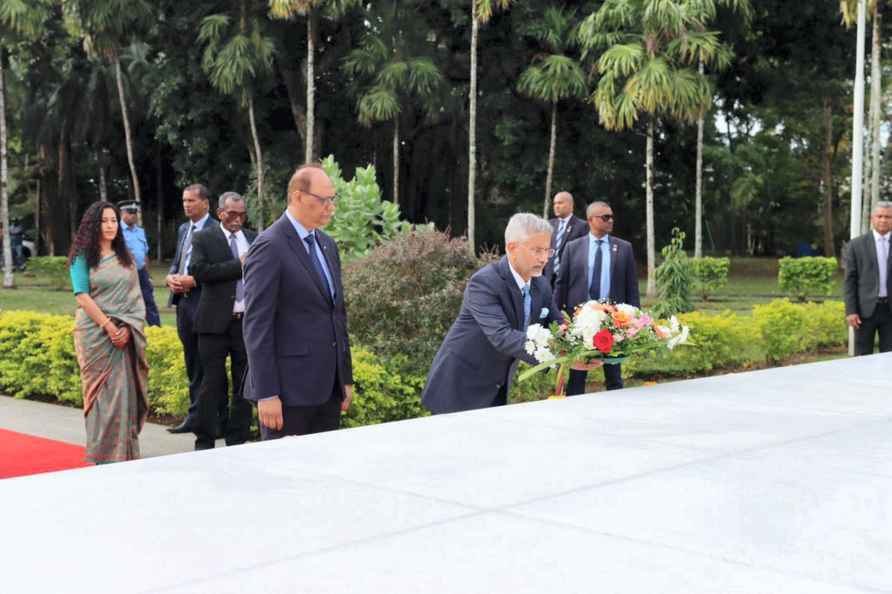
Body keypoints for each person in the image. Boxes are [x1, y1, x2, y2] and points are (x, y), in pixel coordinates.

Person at [422, 213, 595, 414]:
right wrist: (561, 356)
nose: (544, 258)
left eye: (547, 250)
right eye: (536, 250)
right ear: (512, 248)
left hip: (497, 385)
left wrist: (583, 349)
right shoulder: (484, 283)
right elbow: (502, 337)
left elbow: (557, 323)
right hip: (458, 388)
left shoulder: (540, 284)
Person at [243, 163, 354, 438]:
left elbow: (336, 315)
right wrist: (266, 392)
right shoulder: (270, 246)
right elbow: (257, 324)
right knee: (285, 477)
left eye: (332, 199)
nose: (330, 207)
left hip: (328, 388)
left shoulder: (327, 245)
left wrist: (345, 377)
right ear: (297, 196)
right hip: (287, 393)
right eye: (323, 200)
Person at [68, 201, 149, 464]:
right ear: (93, 225)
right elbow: (82, 296)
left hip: (124, 335)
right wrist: (109, 326)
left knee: (123, 393)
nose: (111, 225)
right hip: (95, 336)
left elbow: (136, 299)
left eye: (114, 220)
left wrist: (126, 327)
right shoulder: (81, 257)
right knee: (100, 397)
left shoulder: (126, 258)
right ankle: (102, 455)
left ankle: (124, 453)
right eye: (104, 221)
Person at [188, 192, 256, 450]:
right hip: (213, 324)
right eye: (231, 214)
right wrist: (237, 266)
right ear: (220, 213)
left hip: (245, 323)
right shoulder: (204, 237)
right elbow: (199, 271)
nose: (237, 219)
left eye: (241, 214)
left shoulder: (253, 238)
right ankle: (204, 441)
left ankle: (237, 441)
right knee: (211, 384)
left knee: (244, 385)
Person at [554, 201, 640, 395]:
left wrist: (635, 319)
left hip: (613, 320)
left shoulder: (624, 248)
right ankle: (574, 411)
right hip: (580, 321)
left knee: (614, 375)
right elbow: (562, 284)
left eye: (611, 217)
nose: (611, 221)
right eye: (605, 217)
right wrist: (556, 316)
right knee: (577, 375)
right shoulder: (572, 247)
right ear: (591, 220)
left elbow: (632, 286)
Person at [165, 184, 225, 434]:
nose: (186, 205)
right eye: (183, 201)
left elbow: (224, 268)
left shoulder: (217, 230)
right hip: (184, 304)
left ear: (205, 204)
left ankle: (217, 419)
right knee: (192, 362)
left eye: (191, 201)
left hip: (207, 302)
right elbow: (178, 260)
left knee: (209, 363)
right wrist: (171, 278)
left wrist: (195, 280)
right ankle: (195, 416)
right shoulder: (183, 229)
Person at [844, 201, 892, 355]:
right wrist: (851, 311)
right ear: (872, 218)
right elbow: (849, 281)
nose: (883, 220)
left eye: (888, 217)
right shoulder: (856, 245)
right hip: (865, 312)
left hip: (890, 311)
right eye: (880, 216)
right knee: (862, 358)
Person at [118, 201, 161, 327]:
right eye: (130, 212)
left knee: (149, 302)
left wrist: (148, 275)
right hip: (125, 273)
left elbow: (144, 254)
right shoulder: (116, 231)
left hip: (141, 272)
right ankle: (126, 330)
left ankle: (156, 330)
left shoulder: (140, 231)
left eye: (135, 213)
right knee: (126, 304)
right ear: (122, 213)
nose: (133, 215)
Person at [542, 192, 588, 287]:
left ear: (571, 205)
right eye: (555, 203)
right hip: (549, 278)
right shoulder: (548, 225)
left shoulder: (582, 226)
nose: (556, 206)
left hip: (570, 278)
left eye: (560, 203)